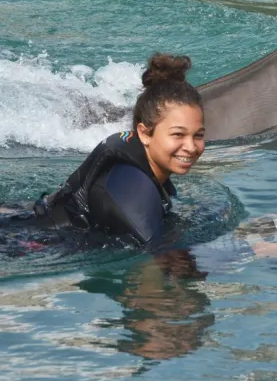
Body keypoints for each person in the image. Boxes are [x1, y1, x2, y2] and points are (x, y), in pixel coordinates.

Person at [31, 53, 206, 246]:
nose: (191, 147)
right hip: (32, 243)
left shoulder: (142, 168)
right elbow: (149, 264)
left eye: (198, 135)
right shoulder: (134, 191)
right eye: (178, 135)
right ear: (145, 134)